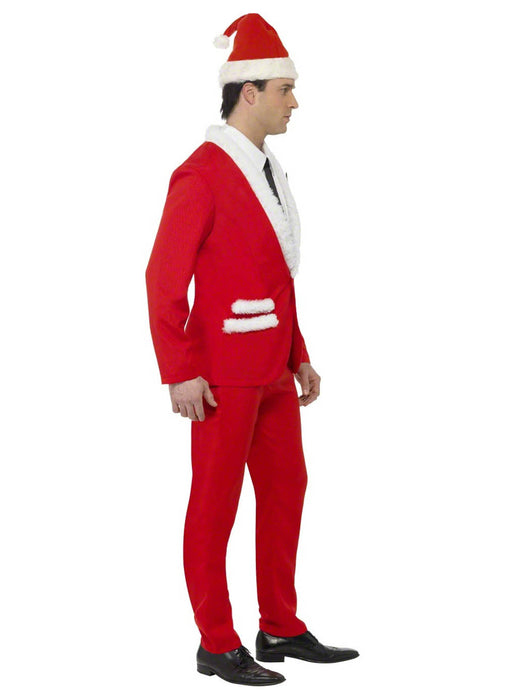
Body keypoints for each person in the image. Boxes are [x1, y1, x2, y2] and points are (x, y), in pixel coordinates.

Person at [145, 13, 359, 686]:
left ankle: (280, 626)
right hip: (220, 377)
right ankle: (216, 642)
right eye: (285, 90)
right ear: (249, 91)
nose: (295, 102)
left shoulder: (268, 169)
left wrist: (299, 353)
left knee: (287, 490)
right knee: (214, 507)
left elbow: (275, 272)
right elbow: (161, 278)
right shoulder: (201, 173)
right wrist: (180, 371)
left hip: (272, 372)